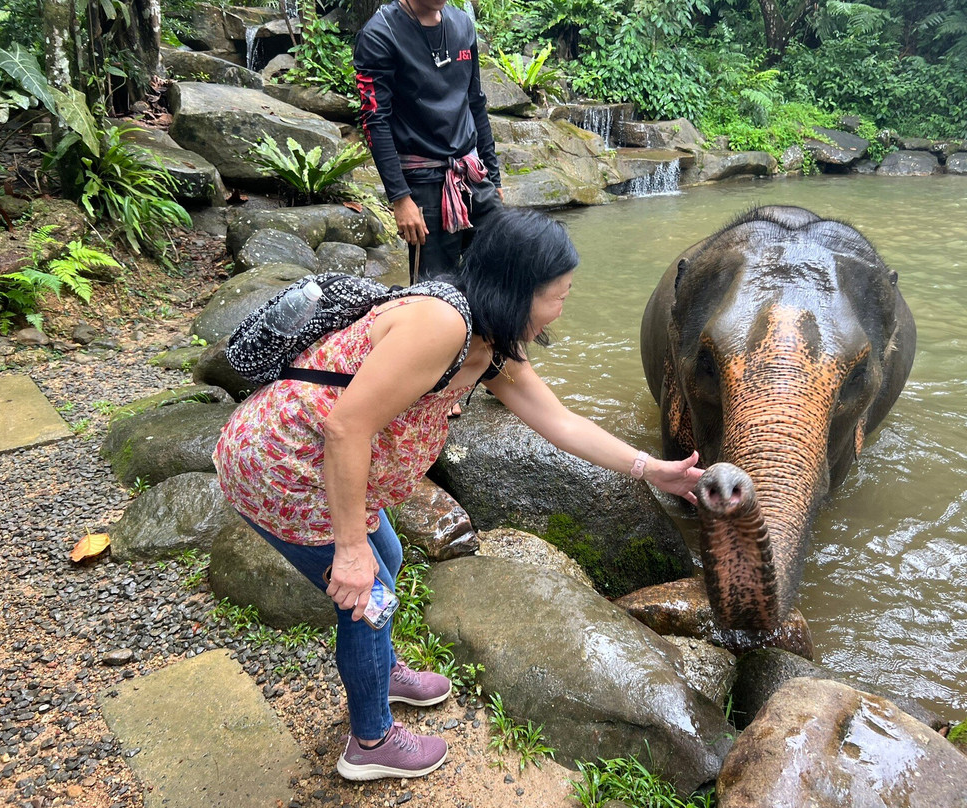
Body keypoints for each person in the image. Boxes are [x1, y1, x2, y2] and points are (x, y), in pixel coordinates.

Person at [212, 208, 704, 782]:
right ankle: (369, 742)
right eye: (560, 294)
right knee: (367, 593)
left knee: (389, 559)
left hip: (326, 466)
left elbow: (560, 422)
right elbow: (347, 427)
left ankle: (383, 670)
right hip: (284, 467)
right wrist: (348, 549)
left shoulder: (492, 343)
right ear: (518, 291)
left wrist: (651, 469)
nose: (564, 305)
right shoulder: (441, 325)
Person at [354, 0, 503, 284]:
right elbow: (375, 120)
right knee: (435, 292)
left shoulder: (462, 24)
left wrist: (494, 179)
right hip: (423, 183)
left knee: (498, 278)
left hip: (472, 175)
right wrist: (400, 198)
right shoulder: (380, 34)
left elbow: (475, 102)